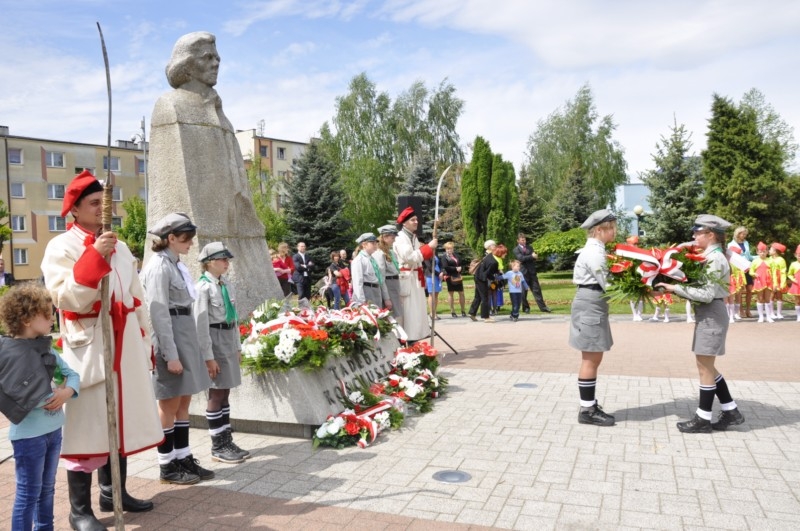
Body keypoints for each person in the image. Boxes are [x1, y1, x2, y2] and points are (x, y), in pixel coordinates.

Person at [41, 170, 163, 529]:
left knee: (119, 421)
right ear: (75, 209)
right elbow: (65, 297)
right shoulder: (61, 247)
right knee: (88, 426)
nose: (102, 209)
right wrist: (95, 256)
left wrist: (145, 341)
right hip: (90, 346)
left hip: (125, 345)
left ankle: (114, 492)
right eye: (94, 203)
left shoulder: (120, 247)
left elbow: (135, 297)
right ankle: (79, 511)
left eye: (104, 202)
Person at [140, 213, 214, 486]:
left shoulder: (175, 264)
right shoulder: (159, 267)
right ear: (170, 238)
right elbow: (158, 313)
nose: (191, 243)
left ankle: (183, 457)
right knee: (169, 404)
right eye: (186, 239)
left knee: (183, 402)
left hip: (184, 334)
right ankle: (166, 464)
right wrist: (170, 355)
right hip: (171, 337)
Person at [0, 284, 80, 531]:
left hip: (53, 431)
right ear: (26, 319)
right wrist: (44, 397)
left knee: (47, 489)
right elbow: (13, 390)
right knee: (27, 494)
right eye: (46, 314)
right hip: (28, 436)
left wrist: (66, 392)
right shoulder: (7, 352)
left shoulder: (46, 348)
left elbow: (73, 374)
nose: (52, 318)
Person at [656, 214, 745, 433]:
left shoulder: (715, 259)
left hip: (711, 312)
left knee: (704, 367)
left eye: (698, 232)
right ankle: (731, 410)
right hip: (708, 313)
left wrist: (674, 288)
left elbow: (706, 294)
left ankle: (703, 419)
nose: (694, 236)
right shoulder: (710, 255)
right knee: (707, 365)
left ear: (711, 234)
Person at [194, 242, 249, 465]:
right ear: (209, 262)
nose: (227, 263)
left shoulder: (226, 284)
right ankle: (218, 445)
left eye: (227, 259)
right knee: (216, 393)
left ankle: (227, 441)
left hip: (227, 340)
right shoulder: (202, 288)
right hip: (214, 341)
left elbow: (233, 319)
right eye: (222, 259)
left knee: (225, 392)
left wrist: (237, 347)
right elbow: (200, 326)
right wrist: (208, 357)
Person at [569, 209, 617, 427]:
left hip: (593, 302)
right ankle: (587, 410)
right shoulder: (595, 253)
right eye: (611, 228)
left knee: (593, 357)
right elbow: (608, 283)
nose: (614, 232)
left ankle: (589, 405)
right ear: (599, 230)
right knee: (591, 358)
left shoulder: (596, 250)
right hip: (591, 303)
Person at [393, 207, 436, 342]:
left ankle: (417, 335)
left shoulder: (414, 237)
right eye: (413, 220)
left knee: (417, 309)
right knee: (409, 309)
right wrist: (428, 248)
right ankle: (408, 337)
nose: (416, 222)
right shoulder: (400, 238)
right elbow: (410, 258)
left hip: (415, 277)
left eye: (416, 219)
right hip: (407, 278)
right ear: (405, 223)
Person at [350, 233, 391, 309]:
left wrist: (386, 297)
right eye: (372, 243)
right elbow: (358, 283)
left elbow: (380, 279)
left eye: (376, 243)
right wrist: (361, 302)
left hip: (376, 291)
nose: (375, 245)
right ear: (364, 245)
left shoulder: (372, 259)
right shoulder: (359, 260)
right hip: (367, 292)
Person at [513, 233, 551, 313]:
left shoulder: (530, 248)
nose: (524, 241)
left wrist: (533, 257)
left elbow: (533, 257)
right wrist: (531, 257)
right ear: (518, 241)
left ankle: (543, 307)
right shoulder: (516, 249)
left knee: (537, 290)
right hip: (522, 273)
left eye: (525, 240)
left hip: (532, 272)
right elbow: (521, 258)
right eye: (522, 240)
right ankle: (526, 308)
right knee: (523, 292)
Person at [375, 225, 403, 321]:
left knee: (395, 316)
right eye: (392, 238)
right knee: (389, 316)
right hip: (388, 286)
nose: (394, 240)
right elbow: (381, 277)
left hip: (395, 285)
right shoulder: (379, 253)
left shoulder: (392, 253)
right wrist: (386, 298)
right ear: (385, 237)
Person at [467, 240, 497, 323]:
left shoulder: (487, 255)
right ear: (489, 247)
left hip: (478, 277)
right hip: (481, 278)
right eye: (494, 245)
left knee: (478, 296)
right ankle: (486, 317)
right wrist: (493, 278)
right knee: (485, 297)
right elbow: (488, 271)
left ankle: (472, 313)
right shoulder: (489, 256)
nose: (495, 246)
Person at [729, 227, 754, 317]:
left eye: (745, 234)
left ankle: (748, 310)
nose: (744, 236)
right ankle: (740, 310)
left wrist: (759, 258)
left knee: (750, 289)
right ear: (738, 234)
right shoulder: (731, 244)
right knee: (739, 290)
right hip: (738, 268)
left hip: (747, 267)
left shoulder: (746, 243)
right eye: (743, 234)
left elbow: (749, 256)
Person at [440, 242, 467, 318]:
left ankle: (463, 310)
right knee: (451, 293)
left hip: (458, 276)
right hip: (450, 277)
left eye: (451, 248)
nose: (449, 250)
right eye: (448, 249)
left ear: (453, 249)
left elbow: (461, 264)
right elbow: (445, 267)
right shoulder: (444, 257)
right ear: (445, 249)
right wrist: (455, 268)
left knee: (461, 293)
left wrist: (461, 268)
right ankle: (452, 311)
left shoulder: (456, 255)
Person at [750, 242, 774, 323]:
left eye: (764, 251)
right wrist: (754, 274)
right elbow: (751, 271)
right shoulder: (755, 261)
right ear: (757, 252)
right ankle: (761, 317)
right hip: (759, 281)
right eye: (760, 252)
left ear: (767, 252)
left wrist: (775, 283)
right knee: (760, 298)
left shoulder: (770, 261)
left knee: (768, 298)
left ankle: (768, 316)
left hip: (768, 281)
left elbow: (774, 272)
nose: (762, 253)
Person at [769, 242, 788, 319]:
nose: (769, 251)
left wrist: (783, 282)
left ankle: (779, 313)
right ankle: (771, 313)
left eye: (770, 249)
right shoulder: (769, 259)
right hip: (770, 279)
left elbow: (783, 272)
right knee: (771, 295)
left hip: (778, 279)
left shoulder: (781, 260)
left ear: (775, 251)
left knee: (779, 295)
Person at [424, 254, 444, 320]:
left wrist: (442, 272)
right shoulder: (427, 255)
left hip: (438, 276)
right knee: (431, 294)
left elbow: (440, 264)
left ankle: (435, 312)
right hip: (431, 276)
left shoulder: (436, 254)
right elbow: (430, 267)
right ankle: (431, 313)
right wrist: (438, 274)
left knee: (436, 294)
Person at [787, 245, 800, 322]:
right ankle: (798, 315)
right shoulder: (793, 264)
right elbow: (789, 274)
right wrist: (793, 280)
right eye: (799, 255)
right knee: (797, 301)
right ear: (795, 255)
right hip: (797, 284)